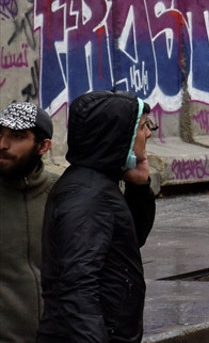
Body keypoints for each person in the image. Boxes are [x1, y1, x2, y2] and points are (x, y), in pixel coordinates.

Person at [39, 90, 156, 343]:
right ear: (118, 135)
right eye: (143, 125)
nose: (149, 133)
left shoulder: (99, 184)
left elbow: (129, 241)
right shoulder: (88, 197)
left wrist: (138, 187)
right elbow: (77, 287)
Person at [0, 102, 57, 343]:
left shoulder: (61, 195)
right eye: (0, 134)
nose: (3, 145)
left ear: (43, 146)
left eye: (17, 136)